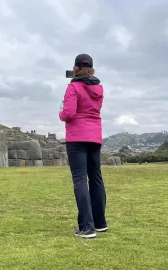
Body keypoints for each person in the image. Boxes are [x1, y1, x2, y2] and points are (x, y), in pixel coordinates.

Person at [59, 53, 107, 239]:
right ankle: (100, 222)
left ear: (76, 68)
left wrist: (61, 114)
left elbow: (69, 113)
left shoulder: (73, 87)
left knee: (80, 180)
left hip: (77, 136)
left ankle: (87, 227)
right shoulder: (99, 88)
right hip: (95, 136)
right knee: (96, 179)